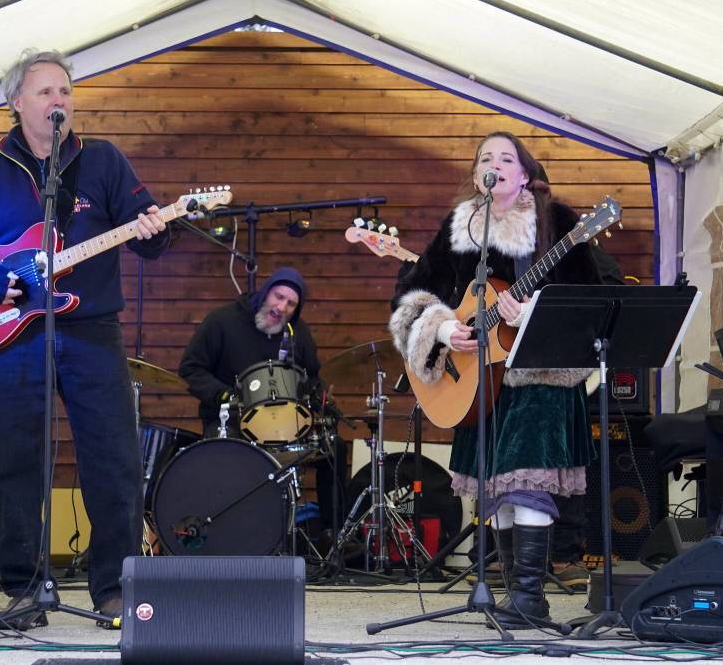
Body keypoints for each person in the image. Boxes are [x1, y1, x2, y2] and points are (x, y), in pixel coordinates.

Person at [0, 48, 170, 628]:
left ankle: (115, 589)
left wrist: (155, 231)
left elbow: (148, 238)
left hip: (92, 330)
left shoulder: (103, 161)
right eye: (46, 92)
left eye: (66, 92)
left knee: (114, 460)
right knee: (14, 465)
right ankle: (24, 590)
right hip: (9, 336)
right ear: (17, 104)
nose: (59, 101)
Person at [389, 131, 600, 627]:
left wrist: (532, 310)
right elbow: (412, 291)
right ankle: (512, 597)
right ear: (477, 175)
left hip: (538, 376)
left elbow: (590, 297)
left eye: (507, 158)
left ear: (525, 174)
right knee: (497, 490)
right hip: (478, 380)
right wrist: (442, 329)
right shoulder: (459, 227)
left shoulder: (559, 222)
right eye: (487, 158)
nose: (496, 164)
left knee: (526, 483)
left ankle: (531, 600)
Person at [178, 267, 348, 545]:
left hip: (285, 428)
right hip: (229, 424)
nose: (281, 307)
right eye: (278, 297)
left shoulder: (297, 332)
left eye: (291, 303)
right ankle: (226, 537)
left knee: (334, 448)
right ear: (265, 292)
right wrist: (224, 395)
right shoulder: (223, 321)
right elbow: (190, 368)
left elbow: (312, 375)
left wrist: (319, 395)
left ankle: (333, 535)